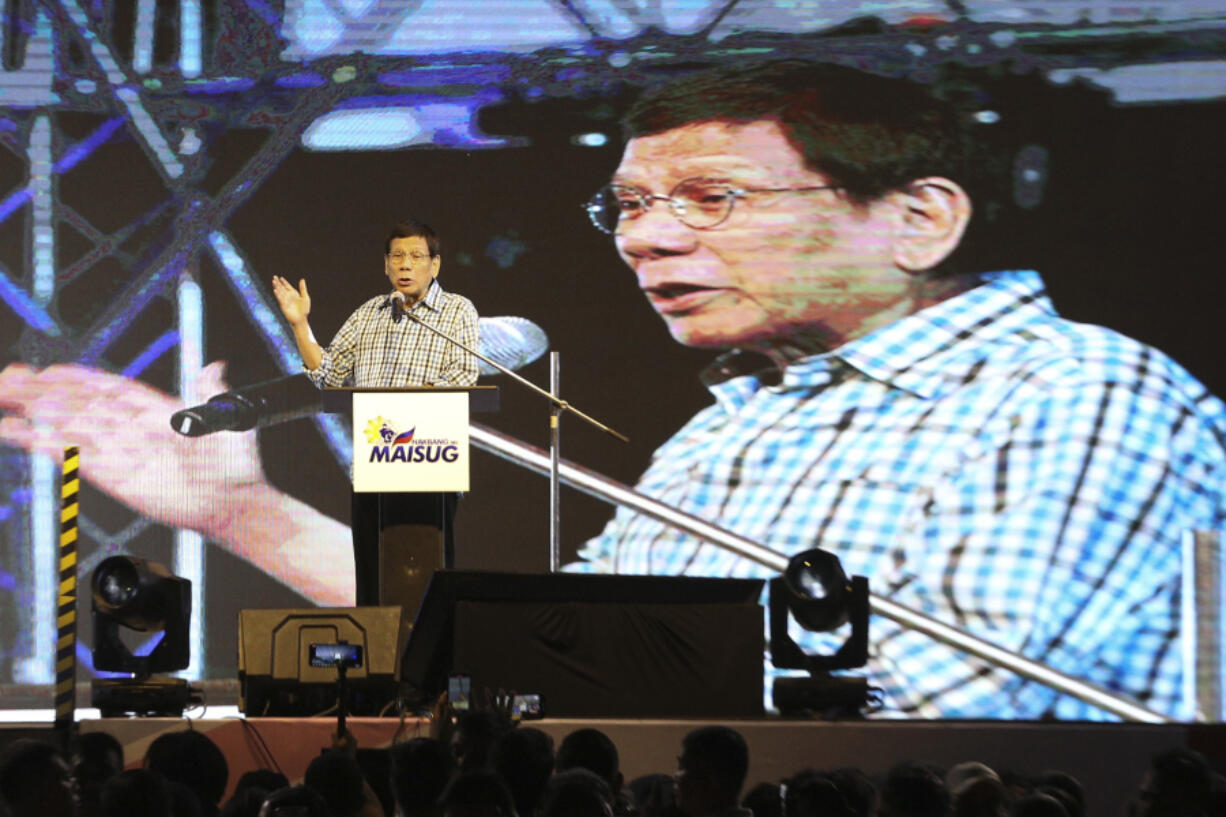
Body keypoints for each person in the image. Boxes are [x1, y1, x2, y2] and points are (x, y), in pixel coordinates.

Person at [568, 59, 1226, 718]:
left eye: (713, 198)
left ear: (920, 219)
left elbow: (956, 691)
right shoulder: (727, 422)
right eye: (628, 205)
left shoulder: (1071, 391)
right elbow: (571, 628)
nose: (645, 239)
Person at [272, 218, 479, 605]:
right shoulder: (369, 314)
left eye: (416, 256)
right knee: (374, 583)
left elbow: (462, 375)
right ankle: (379, 662)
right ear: (385, 265)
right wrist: (300, 324)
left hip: (430, 464)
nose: (405, 265)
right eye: (397, 256)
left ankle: (431, 663)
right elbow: (329, 375)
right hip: (375, 466)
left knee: (427, 582)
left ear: (435, 265)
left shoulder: (457, 311)